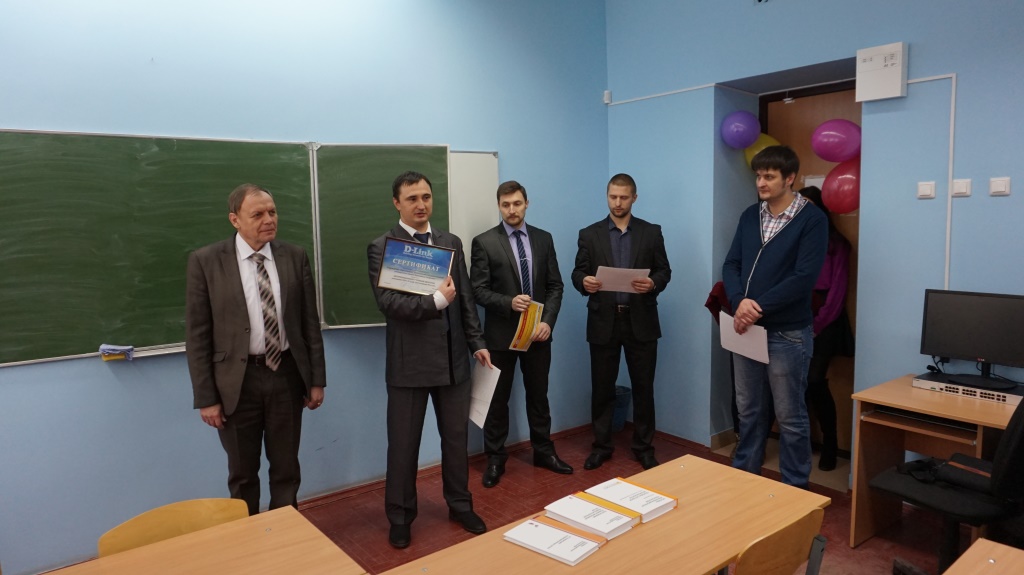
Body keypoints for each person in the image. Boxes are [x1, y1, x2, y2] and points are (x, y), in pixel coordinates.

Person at [367, 171, 493, 549]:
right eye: (412, 199)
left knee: (456, 441)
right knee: (403, 447)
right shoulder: (384, 247)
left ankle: (460, 505)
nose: (421, 205)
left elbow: (465, 298)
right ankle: (401, 516)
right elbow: (389, 304)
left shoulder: (449, 242)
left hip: (454, 362)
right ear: (397, 203)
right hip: (409, 365)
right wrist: (436, 302)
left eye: (426, 197)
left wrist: (477, 342)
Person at [186, 183, 326, 516]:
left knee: (286, 468)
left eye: (272, 212)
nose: (269, 220)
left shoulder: (294, 256)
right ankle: (246, 537)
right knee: (243, 473)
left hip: (286, 376)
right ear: (235, 219)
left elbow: (309, 323)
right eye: (258, 214)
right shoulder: (206, 261)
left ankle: (283, 535)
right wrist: (206, 398)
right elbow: (198, 335)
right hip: (236, 384)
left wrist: (316, 380)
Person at [722, 146, 827, 488]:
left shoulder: (812, 220)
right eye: (758, 176)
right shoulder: (749, 215)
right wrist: (739, 301)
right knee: (748, 411)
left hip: (787, 334)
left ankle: (795, 490)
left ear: (790, 178)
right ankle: (745, 480)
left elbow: (803, 277)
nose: (761, 183)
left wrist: (757, 307)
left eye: (769, 176)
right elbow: (732, 263)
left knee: (790, 416)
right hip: (746, 329)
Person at [470, 180, 572, 488]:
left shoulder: (544, 239)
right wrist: (508, 302)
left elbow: (555, 286)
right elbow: (477, 290)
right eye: (505, 205)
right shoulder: (484, 242)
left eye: (517, 203)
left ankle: (544, 452)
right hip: (501, 336)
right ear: (499, 206)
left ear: (526, 203)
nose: (512, 210)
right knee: (497, 401)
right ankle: (495, 458)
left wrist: (548, 322)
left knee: (538, 397)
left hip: (537, 335)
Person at [571, 173, 672, 471]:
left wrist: (653, 283)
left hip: (641, 319)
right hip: (603, 320)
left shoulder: (651, 232)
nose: (617, 202)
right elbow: (578, 272)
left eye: (623, 197)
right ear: (607, 196)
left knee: (644, 388)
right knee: (602, 388)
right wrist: (584, 282)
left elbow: (664, 271)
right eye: (613, 196)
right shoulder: (589, 234)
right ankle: (601, 446)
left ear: (634, 198)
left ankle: (644, 447)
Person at [799, 186, 854, 471]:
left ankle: (830, 442)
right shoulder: (793, 239)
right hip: (797, 315)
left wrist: (817, 325)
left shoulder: (837, 244)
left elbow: (838, 293)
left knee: (814, 381)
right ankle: (803, 441)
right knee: (795, 382)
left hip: (826, 319)